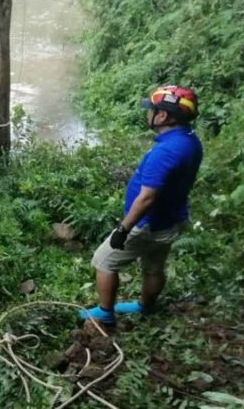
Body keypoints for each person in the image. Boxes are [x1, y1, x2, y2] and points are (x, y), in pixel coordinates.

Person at [78, 85, 202, 324]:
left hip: (147, 224)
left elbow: (146, 198)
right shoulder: (190, 141)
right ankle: (146, 306)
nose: (148, 113)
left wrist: (123, 230)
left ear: (163, 116)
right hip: (170, 220)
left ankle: (105, 312)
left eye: (152, 109)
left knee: (104, 261)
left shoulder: (165, 152)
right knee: (154, 267)